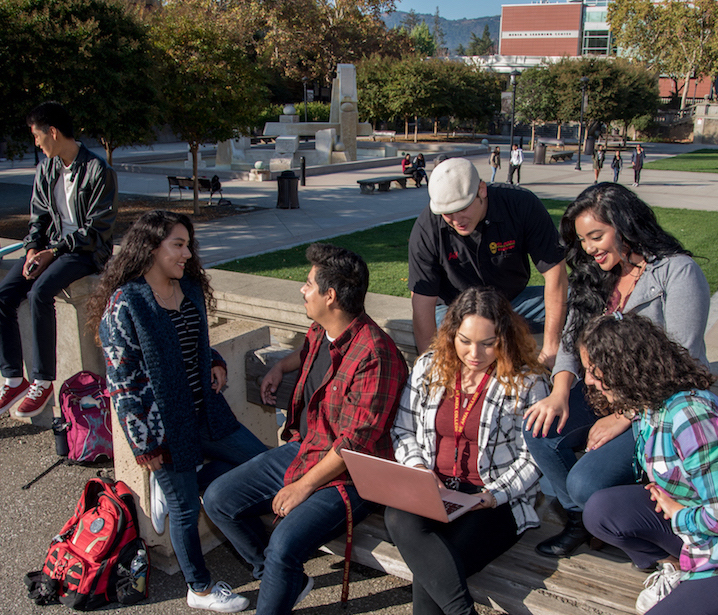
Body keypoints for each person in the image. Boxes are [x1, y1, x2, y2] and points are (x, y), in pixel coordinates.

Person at [202, 244, 409, 615]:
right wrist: (280, 366)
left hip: (352, 476)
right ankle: (280, 577)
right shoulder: (323, 328)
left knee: (284, 545)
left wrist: (303, 486)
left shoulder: (376, 356)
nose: (302, 289)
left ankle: (277, 577)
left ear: (330, 296)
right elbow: (309, 348)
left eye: (309, 284)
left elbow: (354, 445)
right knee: (219, 499)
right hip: (306, 449)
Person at [523, 183, 709, 559]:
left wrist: (624, 416)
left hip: (660, 406)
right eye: (583, 240)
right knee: (539, 429)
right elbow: (569, 342)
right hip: (604, 394)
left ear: (625, 224)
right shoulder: (596, 275)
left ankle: (638, 522)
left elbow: (683, 361)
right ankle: (580, 521)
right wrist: (559, 392)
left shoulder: (677, 272)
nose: (590, 248)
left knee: (585, 483)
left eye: (596, 236)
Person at [92, 211, 267, 612]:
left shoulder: (188, 288)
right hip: (165, 430)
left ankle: (180, 484)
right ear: (150, 248)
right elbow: (122, 383)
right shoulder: (125, 304)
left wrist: (214, 360)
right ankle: (199, 589)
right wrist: (145, 446)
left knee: (261, 464)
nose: (188, 253)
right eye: (178, 245)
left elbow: (194, 341)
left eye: (189, 245)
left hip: (207, 413)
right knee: (185, 510)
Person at [578, 313, 718, 615]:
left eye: (593, 370)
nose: (588, 380)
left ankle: (700, 586)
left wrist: (679, 514)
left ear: (624, 367)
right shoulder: (651, 404)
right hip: (702, 534)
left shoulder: (692, 420)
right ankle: (677, 569)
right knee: (601, 510)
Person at [387, 286, 546, 615]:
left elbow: (533, 458)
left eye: (488, 343)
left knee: (434, 571)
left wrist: (493, 495)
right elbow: (403, 430)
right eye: (465, 341)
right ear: (451, 334)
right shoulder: (429, 366)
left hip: (493, 500)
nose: (475, 353)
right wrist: (420, 470)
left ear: (505, 337)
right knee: (398, 517)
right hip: (436, 488)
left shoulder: (528, 382)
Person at [0, 101, 117, 420]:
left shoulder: (99, 170)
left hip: (86, 252)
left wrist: (54, 252)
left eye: (36, 135)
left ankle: (43, 381)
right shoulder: (46, 169)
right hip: (52, 248)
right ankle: (13, 380)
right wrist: (33, 248)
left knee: (40, 293)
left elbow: (96, 230)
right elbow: (39, 217)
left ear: (53, 132)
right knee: (0, 297)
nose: (36, 143)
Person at [408, 157, 568, 366]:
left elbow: (555, 271)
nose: (456, 219)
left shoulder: (521, 204)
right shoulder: (426, 228)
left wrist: (551, 348)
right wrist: (430, 365)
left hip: (513, 304)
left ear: (481, 190)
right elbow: (422, 302)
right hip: (456, 312)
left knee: (579, 301)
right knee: (443, 324)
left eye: (463, 207)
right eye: (447, 213)